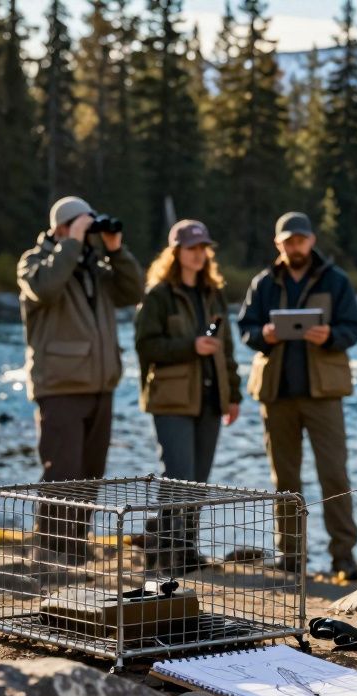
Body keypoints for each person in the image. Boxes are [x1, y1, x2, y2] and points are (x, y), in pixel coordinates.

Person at [238, 212, 357, 579]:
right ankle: (291, 557)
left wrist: (330, 336)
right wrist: (263, 334)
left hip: (323, 394)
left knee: (334, 475)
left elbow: (353, 328)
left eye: (300, 240)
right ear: (278, 244)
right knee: (285, 479)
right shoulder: (263, 283)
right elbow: (246, 328)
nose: (295, 246)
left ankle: (344, 556)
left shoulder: (336, 281)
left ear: (311, 241)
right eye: (288, 241)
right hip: (276, 394)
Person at [17, 196, 144, 561]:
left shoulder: (95, 269)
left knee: (91, 474)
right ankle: (51, 548)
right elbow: (45, 288)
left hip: (101, 385)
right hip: (60, 387)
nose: (89, 236)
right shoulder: (35, 263)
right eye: (82, 228)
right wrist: (71, 241)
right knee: (63, 473)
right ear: (62, 229)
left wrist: (116, 251)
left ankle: (76, 544)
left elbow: (134, 292)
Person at [135, 220, 242, 570]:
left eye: (202, 247)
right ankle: (168, 552)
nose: (198, 253)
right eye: (191, 247)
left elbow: (226, 349)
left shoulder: (213, 292)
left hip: (211, 400)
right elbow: (146, 346)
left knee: (198, 481)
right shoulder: (159, 295)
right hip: (172, 400)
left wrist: (234, 395)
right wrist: (190, 346)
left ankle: (188, 551)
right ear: (176, 252)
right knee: (177, 477)